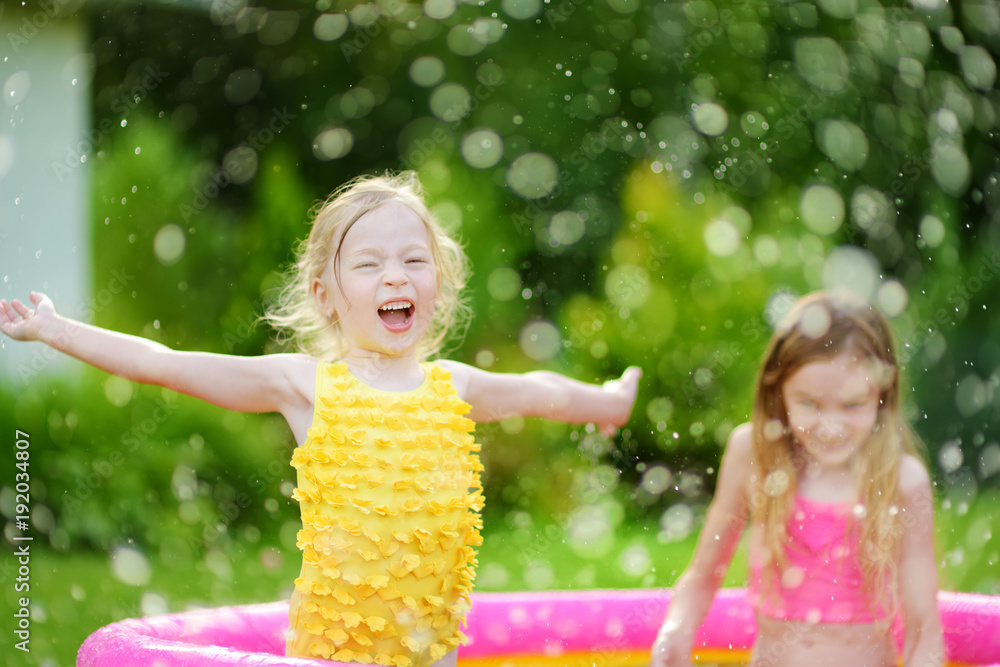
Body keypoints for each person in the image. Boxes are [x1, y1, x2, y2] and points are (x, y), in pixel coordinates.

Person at [0, 171, 641, 667]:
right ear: (325, 296)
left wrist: (606, 402)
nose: (396, 276)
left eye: (414, 261)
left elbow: (539, 391)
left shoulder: (455, 386)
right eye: (368, 264)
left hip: (430, 651)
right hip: (331, 651)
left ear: (439, 284)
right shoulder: (305, 384)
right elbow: (166, 363)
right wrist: (59, 331)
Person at [651, 290, 944, 667]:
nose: (831, 427)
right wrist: (676, 630)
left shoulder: (901, 481)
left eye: (853, 405)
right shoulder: (754, 456)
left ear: (882, 396)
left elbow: (924, 629)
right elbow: (704, 575)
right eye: (810, 404)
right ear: (778, 392)